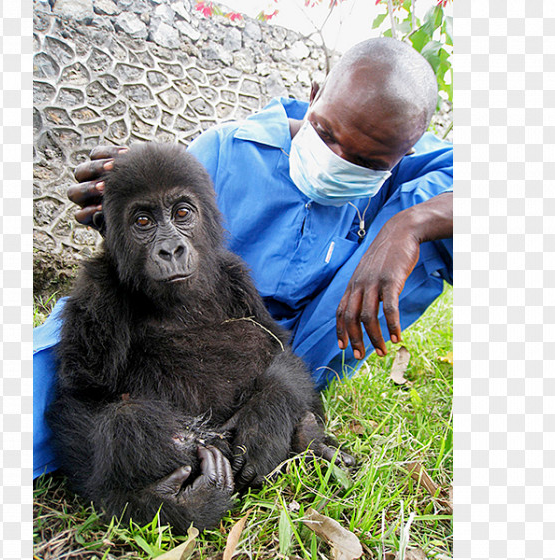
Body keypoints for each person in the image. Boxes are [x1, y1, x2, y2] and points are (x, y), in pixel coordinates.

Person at [34, 37, 452, 478]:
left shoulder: (404, 162)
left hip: (293, 347)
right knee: (59, 396)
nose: (336, 158)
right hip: (165, 326)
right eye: (326, 134)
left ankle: (289, 425)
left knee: (443, 212)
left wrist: (410, 225)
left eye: (365, 161)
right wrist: (122, 198)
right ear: (313, 96)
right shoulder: (226, 150)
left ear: (407, 152)